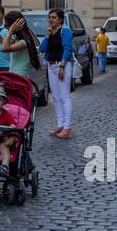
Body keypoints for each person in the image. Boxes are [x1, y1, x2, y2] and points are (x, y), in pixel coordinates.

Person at [45, 9, 75, 139]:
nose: (51, 20)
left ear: (60, 20)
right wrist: (47, 36)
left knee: (64, 97)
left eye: (54, 17)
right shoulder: (51, 32)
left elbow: (67, 49)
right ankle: (60, 124)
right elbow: (42, 49)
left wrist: (62, 66)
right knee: (56, 97)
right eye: (50, 17)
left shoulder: (65, 31)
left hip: (62, 65)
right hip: (51, 65)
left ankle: (68, 127)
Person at [0, 10, 41, 79]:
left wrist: (11, 29)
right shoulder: (17, 39)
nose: (6, 28)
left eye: (7, 25)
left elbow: (4, 48)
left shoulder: (24, 42)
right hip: (14, 75)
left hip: (19, 77)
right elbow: (5, 44)